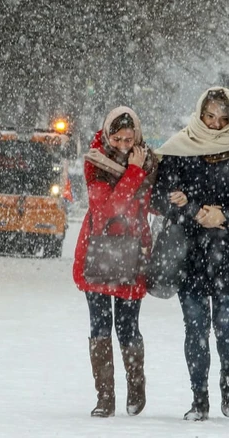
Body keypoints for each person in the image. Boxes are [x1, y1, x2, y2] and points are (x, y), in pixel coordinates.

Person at [151, 87, 229, 421]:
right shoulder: (180, 146)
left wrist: (226, 215)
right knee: (195, 328)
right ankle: (199, 397)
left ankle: (228, 379)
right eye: (209, 117)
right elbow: (159, 195)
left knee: (228, 327)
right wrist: (191, 212)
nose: (216, 125)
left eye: (223, 119)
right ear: (199, 114)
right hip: (189, 252)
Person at [72, 106, 156, 418]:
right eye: (118, 138)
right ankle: (105, 397)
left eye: (129, 139)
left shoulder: (150, 161)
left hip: (132, 254)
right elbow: (108, 209)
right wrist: (134, 173)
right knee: (99, 325)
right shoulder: (96, 161)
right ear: (108, 135)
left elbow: (150, 205)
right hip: (98, 250)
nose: (123, 145)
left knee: (128, 326)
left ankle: (136, 388)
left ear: (138, 136)